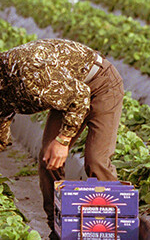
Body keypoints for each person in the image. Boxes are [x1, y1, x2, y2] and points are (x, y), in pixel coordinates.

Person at [0, 39, 124, 239]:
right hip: (66, 95)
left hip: (100, 84)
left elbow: (80, 96)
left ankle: (110, 230)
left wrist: (64, 140)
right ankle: (59, 228)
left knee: (96, 160)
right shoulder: (3, 89)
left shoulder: (29, 75)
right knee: (47, 159)